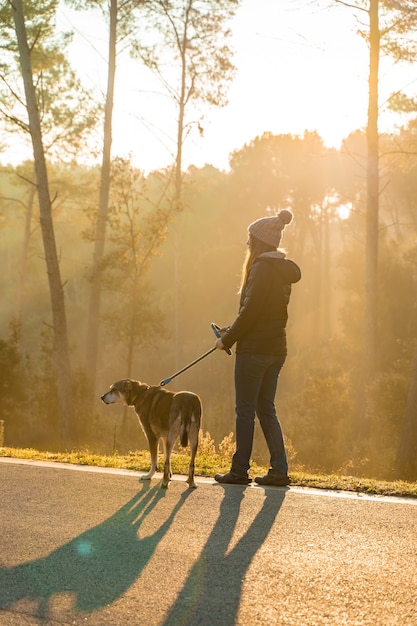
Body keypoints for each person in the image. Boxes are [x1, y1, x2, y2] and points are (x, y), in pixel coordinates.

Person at [214, 209, 301, 486]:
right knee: (266, 408)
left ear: (259, 241)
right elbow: (260, 313)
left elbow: (251, 313)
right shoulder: (279, 269)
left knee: (245, 410)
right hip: (276, 349)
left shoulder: (261, 268)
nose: (247, 244)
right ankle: (279, 470)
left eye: (249, 239)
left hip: (254, 352)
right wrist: (233, 328)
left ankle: (239, 471)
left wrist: (225, 340)